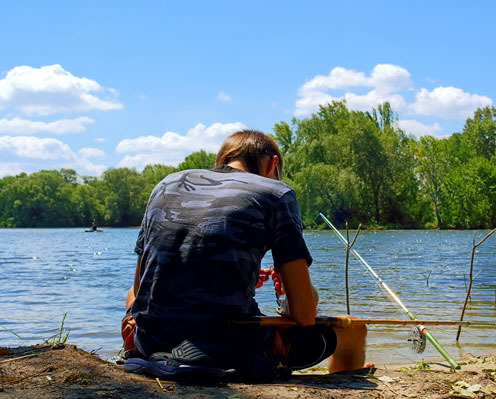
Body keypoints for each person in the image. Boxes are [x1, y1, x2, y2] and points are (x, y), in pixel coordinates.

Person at [121, 130, 369, 381]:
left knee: (130, 295)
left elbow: (139, 288)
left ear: (222, 160)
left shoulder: (165, 184)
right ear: (273, 164)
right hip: (224, 349)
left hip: (148, 342)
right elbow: (304, 314)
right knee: (355, 329)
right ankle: (346, 388)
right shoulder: (276, 192)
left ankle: (150, 351)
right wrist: (288, 295)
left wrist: (239, 278)